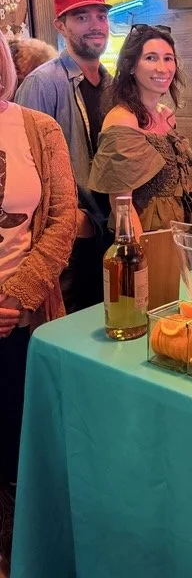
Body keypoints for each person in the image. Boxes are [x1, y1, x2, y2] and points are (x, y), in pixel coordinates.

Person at [0, 31, 76, 526]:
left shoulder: (39, 128)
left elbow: (63, 219)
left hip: (23, 319)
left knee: (20, 445)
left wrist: (15, 298)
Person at [15, 0, 112, 313]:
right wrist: (71, 220)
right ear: (61, 25)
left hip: (110, 227)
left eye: (100, 16)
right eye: (81, 17)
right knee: (69, 326)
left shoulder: (111, 83)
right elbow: (28, 168)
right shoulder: (42, 83)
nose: (95, 25)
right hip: (71, 236)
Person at [89, 24, 192, 238]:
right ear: (130, 66)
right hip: (144, 237)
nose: (163, 68)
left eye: (168, 58)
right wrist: (140, 257)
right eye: (151, 58)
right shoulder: (122, 119)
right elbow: (121, 206)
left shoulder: (166, 114)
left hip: (176, 231)